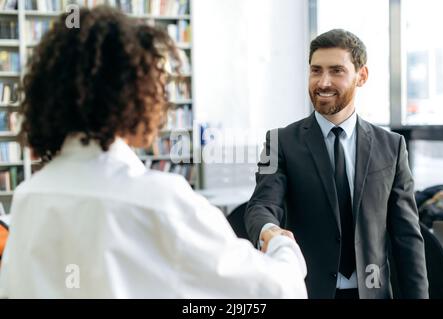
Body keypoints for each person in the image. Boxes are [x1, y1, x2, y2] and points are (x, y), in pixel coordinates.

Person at [0, 6, 307, 298]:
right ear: (136, 94)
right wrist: (282, 246)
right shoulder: (159, 202)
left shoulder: (29, 197)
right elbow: (276, 292)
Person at [245, 29, 429, 299]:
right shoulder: (280, 142)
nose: (323, 82)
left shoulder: (391, 146)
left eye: (336, 71)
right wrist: (269, 231)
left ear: (361, 76)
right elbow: (262, 205)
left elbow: (407, 237)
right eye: (316, 70)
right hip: (308, 291)